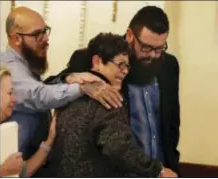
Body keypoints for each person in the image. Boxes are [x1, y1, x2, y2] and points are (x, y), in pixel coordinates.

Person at [45, 6, 180, 177]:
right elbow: (49, 87)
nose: (153, 55)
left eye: (160, 48)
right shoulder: (100, 55)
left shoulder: (169, 65)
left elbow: (172, 122)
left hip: (162, 170)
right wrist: (74, 80)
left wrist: (171, 166)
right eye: (146, 48)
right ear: (130, 35)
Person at [0, 6, 123, 170]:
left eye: (46, 31)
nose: (45, 39)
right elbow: (39, 95)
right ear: (16, 39)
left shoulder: (26, 64)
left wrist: (68, 78)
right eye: (38, 34)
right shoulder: (10, 68)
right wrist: (82, 88)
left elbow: (43, 86)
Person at [0, 67, 56, 177]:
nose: (14, 99)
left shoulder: (5, 130)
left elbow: (20, 173)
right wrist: (2, 171)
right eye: (9, 93)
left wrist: (50, 140)